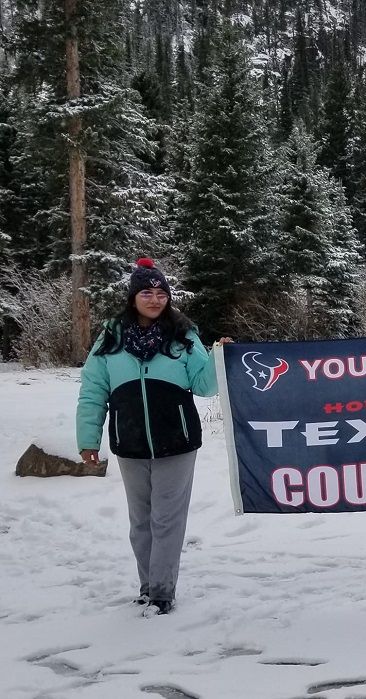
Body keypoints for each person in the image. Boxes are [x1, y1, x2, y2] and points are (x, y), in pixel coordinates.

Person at [76, 258, 226, 616]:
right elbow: (94, 388)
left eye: (161, 293)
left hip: (177, 440)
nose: (155, 299)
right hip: (129, 442)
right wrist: (88, 438)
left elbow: (205, 386)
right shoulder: (111, 337)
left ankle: (161, 592)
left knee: (166, 520)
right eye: (147, 292)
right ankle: (148, 586)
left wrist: (219, 357)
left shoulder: (183, 335)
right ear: (133, 297)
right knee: (140, 522)